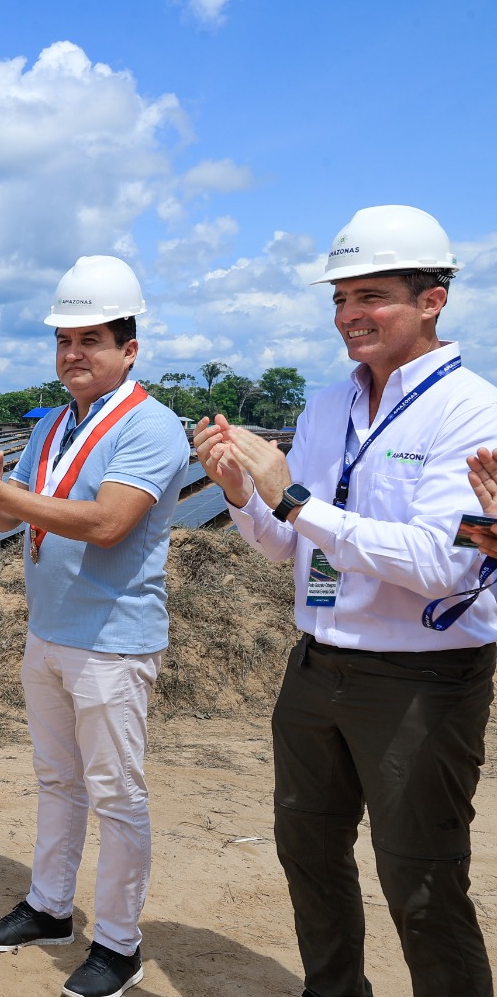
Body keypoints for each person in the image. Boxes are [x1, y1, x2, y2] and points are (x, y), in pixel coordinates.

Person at [194, 205, 497, 997]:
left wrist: (290, 496)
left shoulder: (472, 409)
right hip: (317, 667)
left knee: (422, 881)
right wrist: (240, 495)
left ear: (432, 300)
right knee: (309, 853)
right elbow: (290, 549)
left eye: (372, 296)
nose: (349, 316)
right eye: (340, 298)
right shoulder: (328, 407)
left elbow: (438, 562)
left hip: (420, 680)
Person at [0, 256, 190, 997]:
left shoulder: (150, 425)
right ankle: (49, 908)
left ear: (129, 350)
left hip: (111, 640)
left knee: (115, 794)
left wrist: (1, 491)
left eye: (92, 340)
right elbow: (8, 517)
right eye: (63, 340)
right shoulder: (55, 427)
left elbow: (108, 524)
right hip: (49, 630)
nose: (73, 354)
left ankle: (119, 942)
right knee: (57, 779)